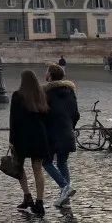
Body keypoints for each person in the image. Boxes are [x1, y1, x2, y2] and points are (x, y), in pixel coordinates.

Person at [9, 70, 51, 216]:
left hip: (22, 136)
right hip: (39, 135)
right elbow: (47, 117)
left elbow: (13, 120)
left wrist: (11, 140)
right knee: (37, 169)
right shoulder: (41, 95)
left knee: (19, 167)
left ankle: (27, 196)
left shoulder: (17, 95)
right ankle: (39, 202)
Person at [42, 64, 79, 208]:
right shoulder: (70, 92)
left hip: (52, 133)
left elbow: (44, 114)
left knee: (46, 162)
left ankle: (64, 187)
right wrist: (70, 127)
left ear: (50, 76)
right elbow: (76, 114)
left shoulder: (47, 93)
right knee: (62, 163)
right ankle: (65, 200)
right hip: (67, 132)